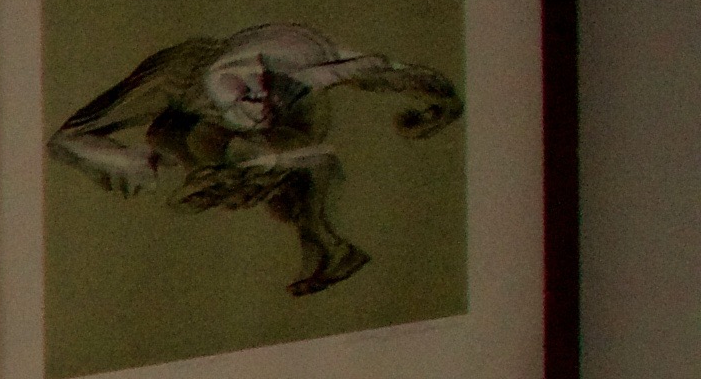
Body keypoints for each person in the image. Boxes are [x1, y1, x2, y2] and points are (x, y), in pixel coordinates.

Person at [49, 18, 461, 298]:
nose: (258, 100)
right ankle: (321, 236)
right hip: (205, 110)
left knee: (217, 140)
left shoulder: (300, 69)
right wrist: (129, 161)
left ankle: (303, 209)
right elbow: (68, 136)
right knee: (175, 135)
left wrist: (440, 101)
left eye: (260, 93)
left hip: (279, 116)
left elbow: (376, 68)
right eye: (248, 96)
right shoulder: (172, 84)